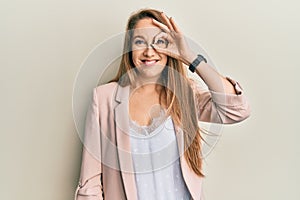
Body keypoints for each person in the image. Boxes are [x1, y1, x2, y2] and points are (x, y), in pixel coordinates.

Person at [74, 8, 250, 200]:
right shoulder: (103, 99)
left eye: (159, 41)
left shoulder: (185, 93)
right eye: (140, 41)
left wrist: (189, 56)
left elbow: (237, 110)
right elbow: (89, 184)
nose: (149, 52)